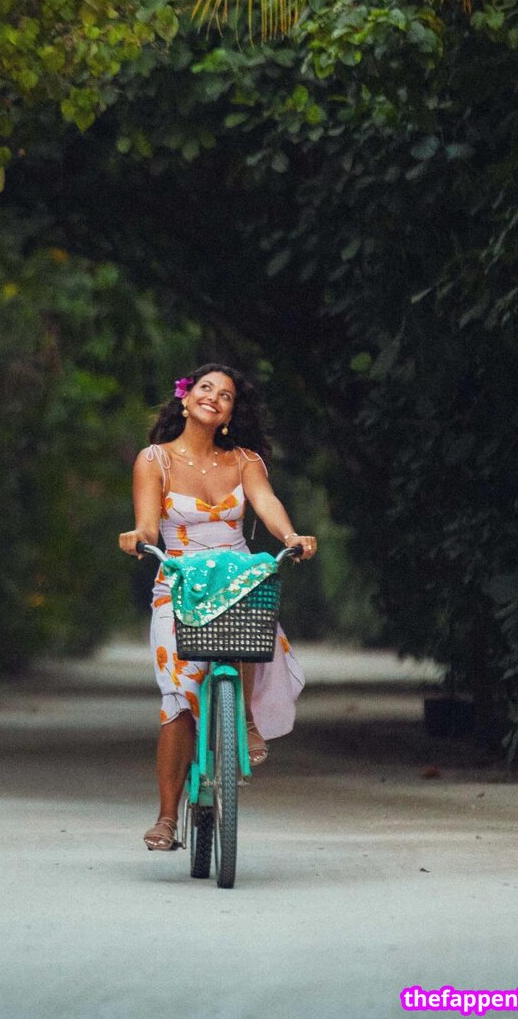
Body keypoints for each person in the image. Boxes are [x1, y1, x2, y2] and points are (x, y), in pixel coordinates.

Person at [118, 364, 317, 851]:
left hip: (236, 578)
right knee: (179, 697)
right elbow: (148, 524)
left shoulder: (245, 461)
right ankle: (168, 817)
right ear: (186, 401)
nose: (214, 397)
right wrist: (138, 537)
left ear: (229, 414)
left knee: (247, 622)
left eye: (225, 395)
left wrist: (290, 536)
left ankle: (244, 719)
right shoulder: (154, 459)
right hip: (180, 584)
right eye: (205, 388)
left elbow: (267, 503)